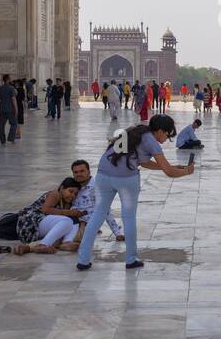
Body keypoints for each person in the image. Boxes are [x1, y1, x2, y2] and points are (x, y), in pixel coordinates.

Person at [76, 115, 195, 271]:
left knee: (98, 214)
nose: (166, 138)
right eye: (167, 134)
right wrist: (186, 171)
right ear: (159, 131)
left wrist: (169, 166)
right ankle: (131, 259)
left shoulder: (136, 131)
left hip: (103, 175)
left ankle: (83, 260)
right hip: (126, 180)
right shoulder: (152, 142)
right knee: (129, 217)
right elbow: (169, 173)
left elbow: (143, 161)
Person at [13, 179, 86, 255]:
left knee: (73, 221)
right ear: (61, 188)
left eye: (75, 194)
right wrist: (67, 212)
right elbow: (45, 209)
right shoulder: (55, 194)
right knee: (67, 221)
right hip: (31, 224)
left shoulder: (67, 202)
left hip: (41, 226)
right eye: (70, 191)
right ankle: (43, 244)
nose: (72, 196)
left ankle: (67, 242)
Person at [72, 158, 121, 241]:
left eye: (82, 171)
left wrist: (117, 233)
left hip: (86, 224)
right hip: (71, 220)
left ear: (89, 171)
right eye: (75, 172)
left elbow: (106, 211)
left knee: (74, 241)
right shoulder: (72, 185)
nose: (78, 174)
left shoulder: (97, 188)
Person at [0, 73, 19, 145]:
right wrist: (16, 109)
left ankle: (2, 141)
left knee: (1, 126)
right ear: (8, 79)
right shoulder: (11, 88)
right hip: (10, 110)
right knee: (14, 124)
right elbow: (13, 99)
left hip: (2, 109)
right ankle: (11, 138)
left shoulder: (0, 88)